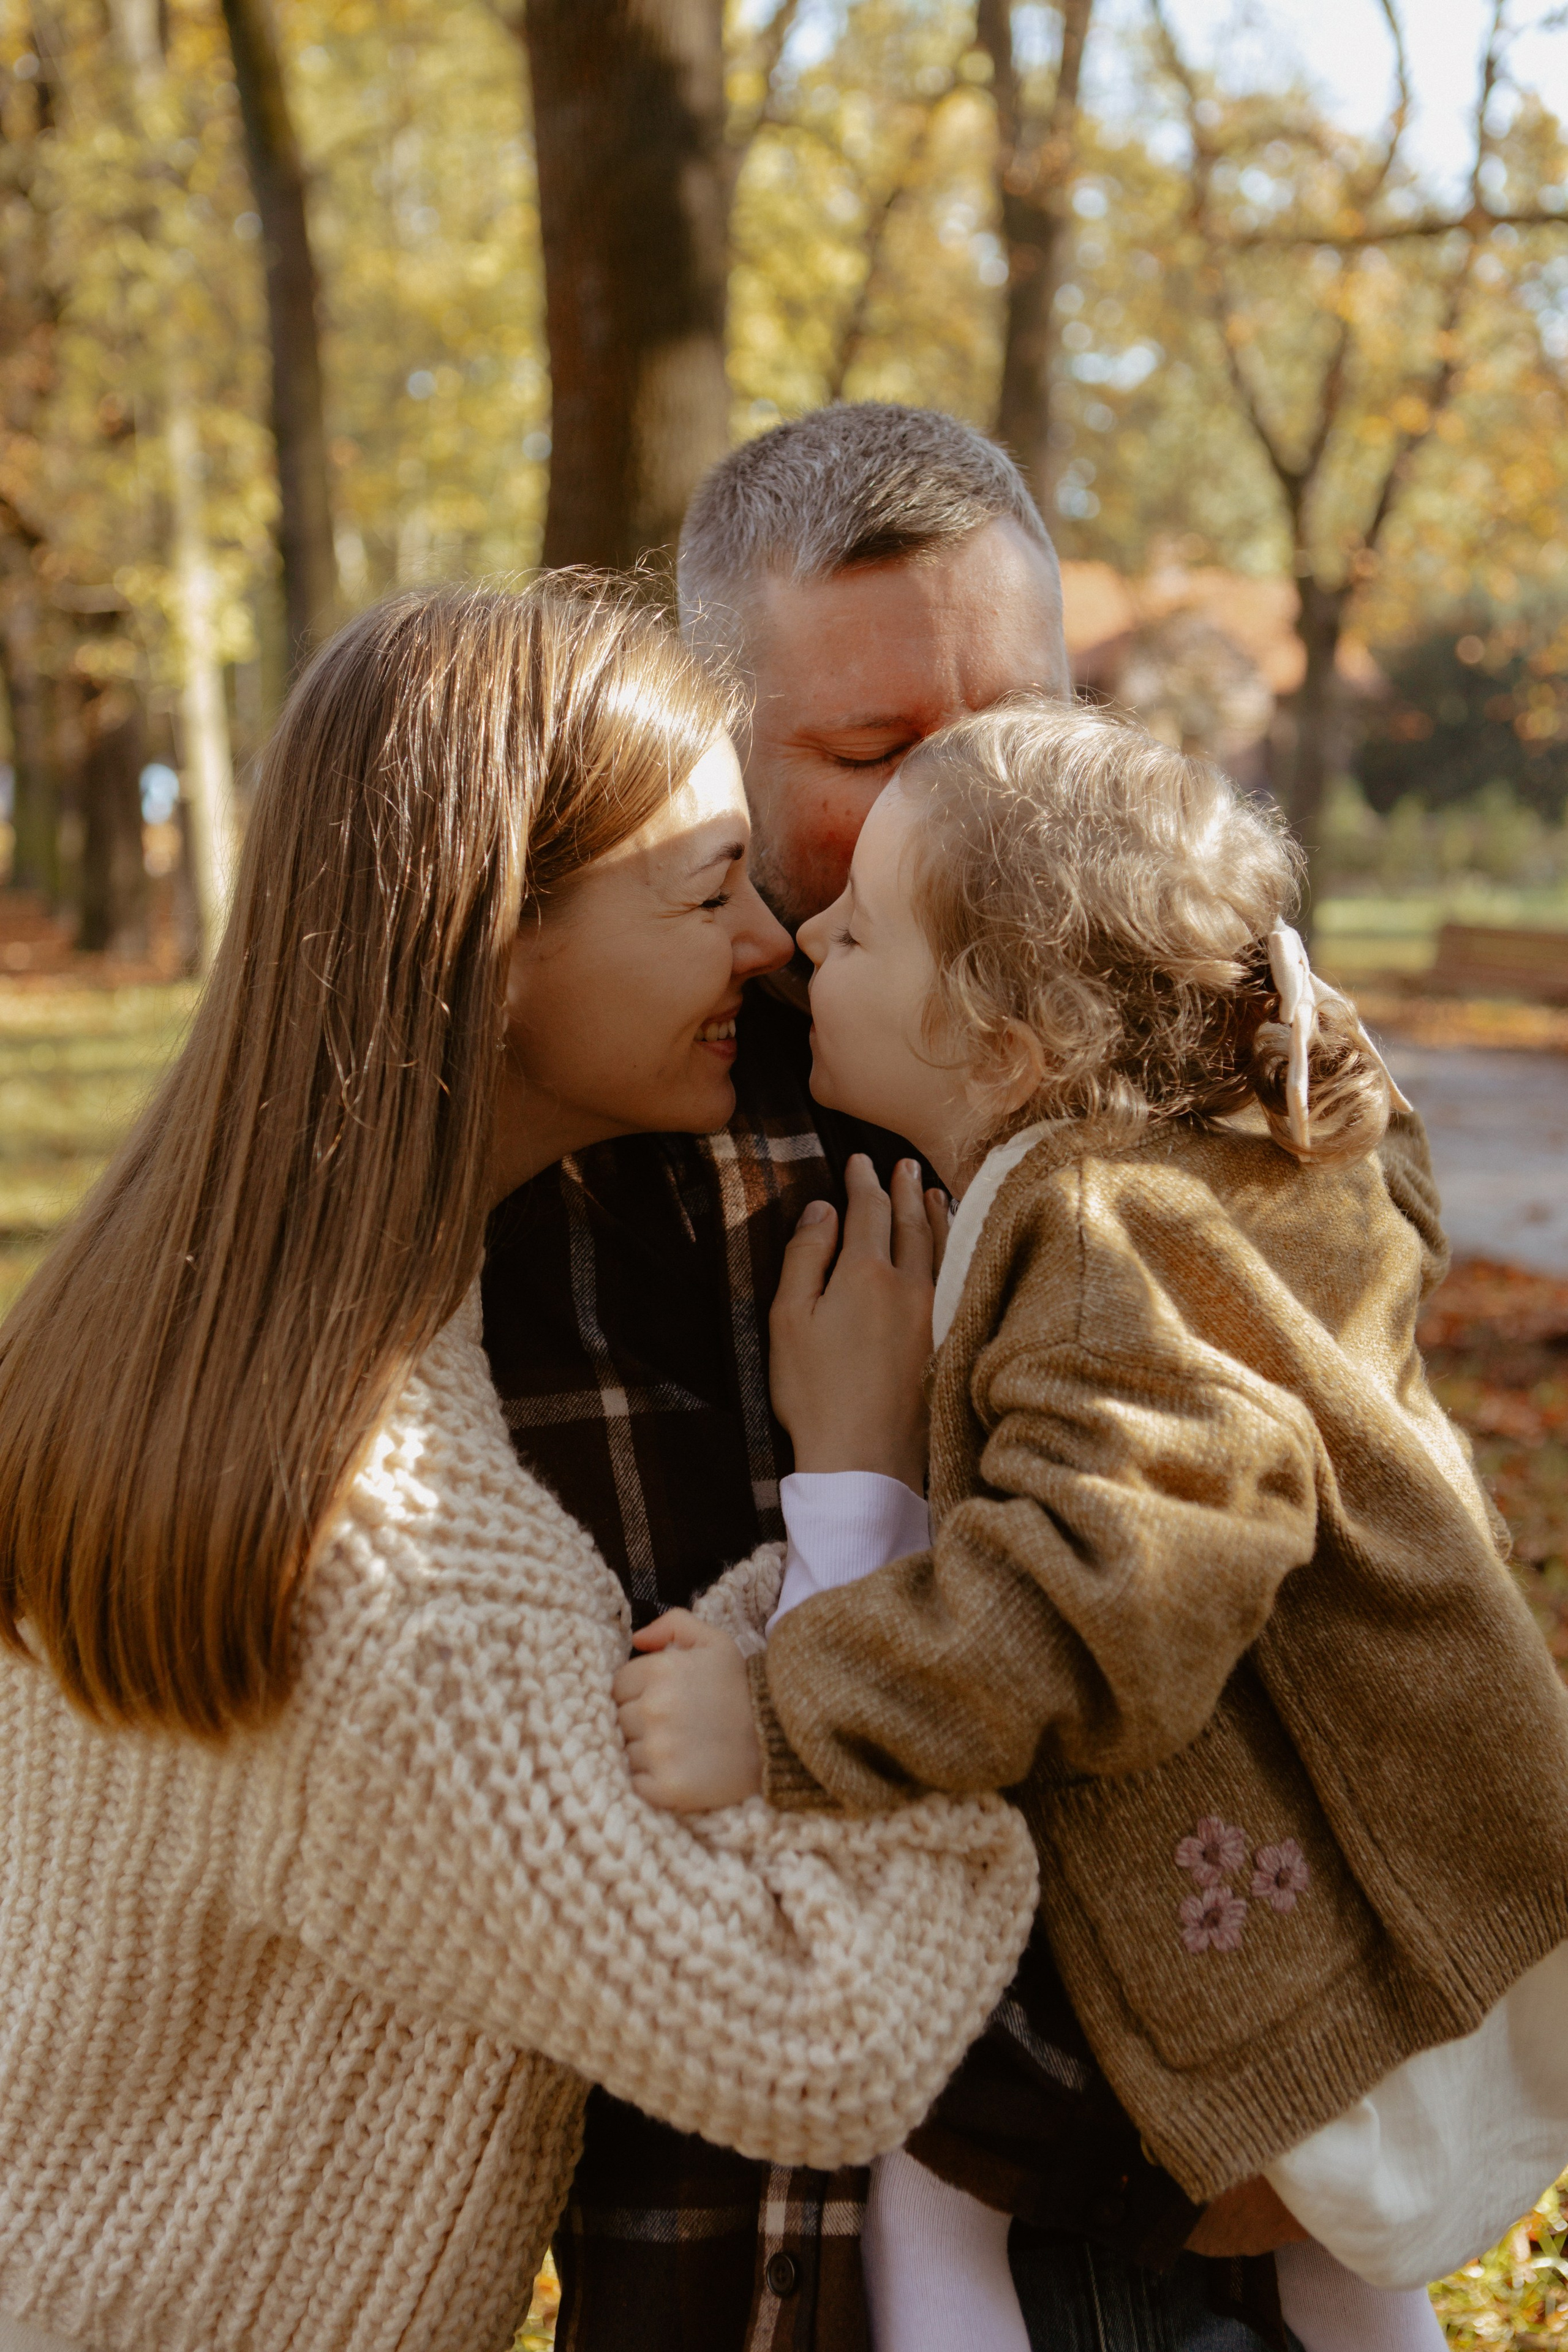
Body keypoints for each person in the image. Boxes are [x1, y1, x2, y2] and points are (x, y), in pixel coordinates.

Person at [0, 579, 1039, 2352]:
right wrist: (866, 1500)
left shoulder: (156, 1340)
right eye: (706, 887)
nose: (773, 944)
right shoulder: (405, 1574)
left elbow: (523, 1759)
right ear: (492, 944)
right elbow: (823, 2040)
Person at [484, 403, 1298, 2351]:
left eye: (1025, 725)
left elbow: (1270, 1602)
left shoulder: (1205, 1056)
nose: (987, 804)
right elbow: (636, 1777)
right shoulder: (610, 1108)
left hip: (1195, 2168)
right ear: (722, 746)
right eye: (877, 759)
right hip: (747, 2227)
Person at [616, 698, 1568, 2352]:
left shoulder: (1100, 1227)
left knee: (930, 2151)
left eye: (855, 932)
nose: (806, 942)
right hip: (1422, 1871)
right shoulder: (1250, 1153)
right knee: (1341, 2271)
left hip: (1313, 1903)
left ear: (1001, 1035)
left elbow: (1106, 1584)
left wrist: (777, 1708)